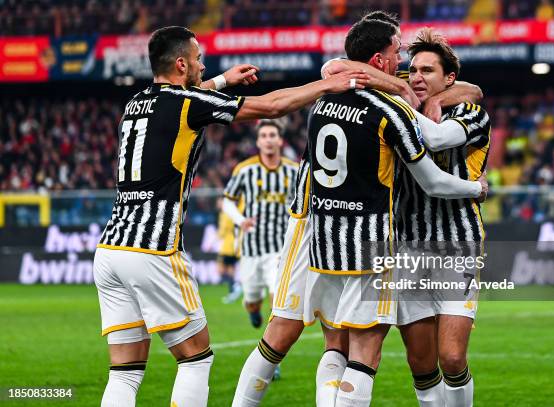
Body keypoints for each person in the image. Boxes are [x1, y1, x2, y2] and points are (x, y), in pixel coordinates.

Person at [92, 25, 370, 407]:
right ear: (180, 64)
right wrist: (326, 86)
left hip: (109, 250)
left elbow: (181, 98)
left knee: (125, 372)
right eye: (199, 60)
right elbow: (272, 106)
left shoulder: (136, 102)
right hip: (152, 249)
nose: (203, 66)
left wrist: (222, 80)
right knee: (195, 359)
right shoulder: (188, 104)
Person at [231, 11, 486, 407]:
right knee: (361, 349)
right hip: (370, 238)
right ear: (381, 61)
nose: (408, 70)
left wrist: (425, 95)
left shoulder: (329, 96)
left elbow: (472, 90)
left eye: (422, 69)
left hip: (324, 228)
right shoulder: (391, 106)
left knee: (322, 339)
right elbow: (431, 162)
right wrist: (477, 187)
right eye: (401, 57)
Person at [394, 28, 492, 407]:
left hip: (459, 245)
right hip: (407, 248)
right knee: (421, 363)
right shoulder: (401, 106)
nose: (417, 77)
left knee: (451, 357)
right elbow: (334, 67)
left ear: (449, 78)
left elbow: (435, 139)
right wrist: (406, 98)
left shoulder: (471, 113)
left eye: (428, 71)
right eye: (412, 70)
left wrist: (406, 104)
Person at [222, 119, 298, 331]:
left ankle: (270, 354)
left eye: (272, 135)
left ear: (280, 140)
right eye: (264, 136)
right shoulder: (245, 170)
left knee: (278, 297)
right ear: (258, 141)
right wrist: (240, 220)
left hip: (280, 248)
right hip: (251, 248)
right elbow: (227, 200)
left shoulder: (294, 171)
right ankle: (254, 311)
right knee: (252, 299)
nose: (268, 140)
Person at [215, 197, 241, 304]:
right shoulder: (233, 212)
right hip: (234, 245)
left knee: (220, 269)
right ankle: (232, 291)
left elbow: (222, 231)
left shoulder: (225, 214)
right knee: (230, 269)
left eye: (219, 202)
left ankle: (235, 286)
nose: (217, 204)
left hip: (227, 246)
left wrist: (217, 236)